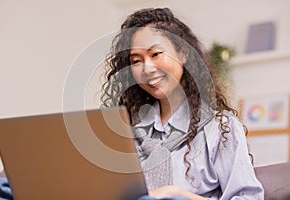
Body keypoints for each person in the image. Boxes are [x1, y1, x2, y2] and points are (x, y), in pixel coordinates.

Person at [101, 7, 264, 200]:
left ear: (183, 54)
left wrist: (177, 194)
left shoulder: (220, 128)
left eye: (155, 54)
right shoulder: (130, 136)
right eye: (136, 61)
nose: (147, 68)